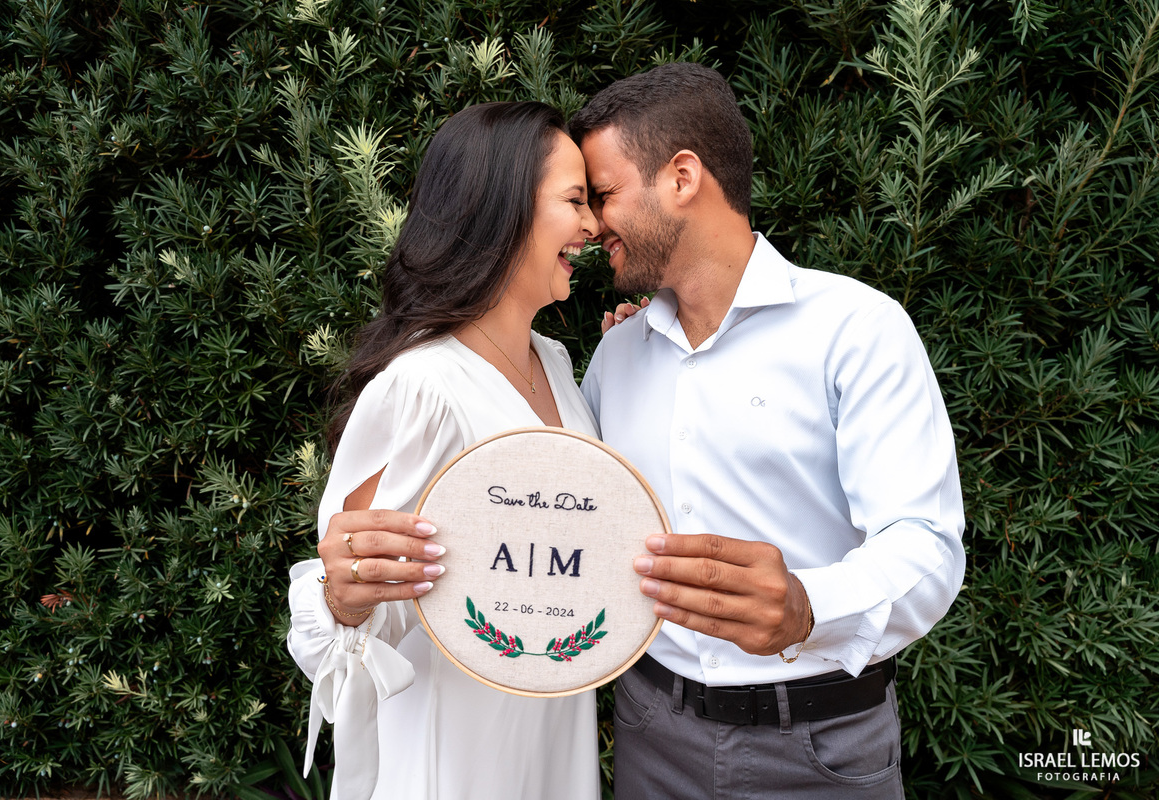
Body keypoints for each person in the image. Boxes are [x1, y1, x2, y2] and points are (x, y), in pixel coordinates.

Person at [570, 62, 966, 799]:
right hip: (650, 733)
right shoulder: (618, 353)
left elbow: (928, 544)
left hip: (822, 751)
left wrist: (808, 607)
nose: (591, 225)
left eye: (605, 193)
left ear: (682, 177)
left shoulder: (857, 330)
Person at [284, 101, 602, 800]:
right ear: (504, 210)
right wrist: (342, 600)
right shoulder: (424, 389)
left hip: (551, 741)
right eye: (575, 201)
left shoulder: (554, 364)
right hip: (457, 755)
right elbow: (362, 604)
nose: (593, 226)